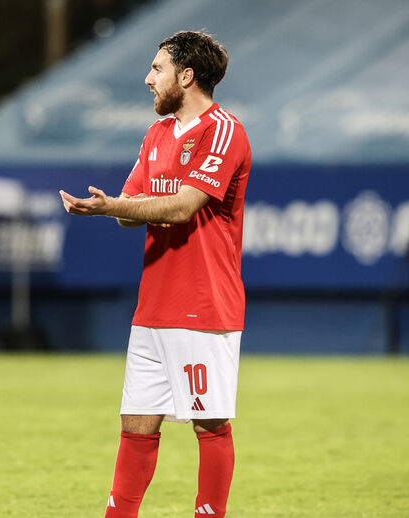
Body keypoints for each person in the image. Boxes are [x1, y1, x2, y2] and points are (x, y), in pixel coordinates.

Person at [59, 30, 250, 517]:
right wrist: (115, 207)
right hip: (153, 307)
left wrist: (113, 206)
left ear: (186, 77)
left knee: (209, 424)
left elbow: (184, 206)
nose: (148, 79)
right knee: (136, 424)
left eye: (157, 69)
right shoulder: (157, 134)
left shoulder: (223, 130)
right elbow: (130, 209)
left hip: (203, 304)